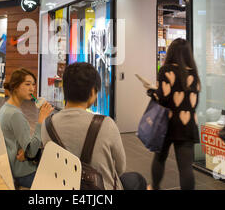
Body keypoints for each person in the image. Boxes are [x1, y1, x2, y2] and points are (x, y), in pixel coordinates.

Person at [41, 62, 147, 190]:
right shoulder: (106, 124)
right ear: (92, 92)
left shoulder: (47, 125)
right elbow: (120, 167)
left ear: (64, 90)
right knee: (137, 179)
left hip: (63, 187)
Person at [143, 38, 200, 190]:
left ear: (171, 52)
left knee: (160, 158)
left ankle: (154, 187)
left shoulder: (166, 70)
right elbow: (194, 101)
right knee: (186, 168)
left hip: (166, 124)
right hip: (187, 125)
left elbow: (162, 98)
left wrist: (150, 91)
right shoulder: (193, 73)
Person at [0, 68, 54, 188]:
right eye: (27, 84)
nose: (32, 88)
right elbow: (31, 151)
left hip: (13, 167)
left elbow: (25, 147)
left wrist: (26, 149)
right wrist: (41, 119)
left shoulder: (5, 108)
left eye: (33, 85)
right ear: (16, 86)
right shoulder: (15, 115)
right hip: (24, 173)